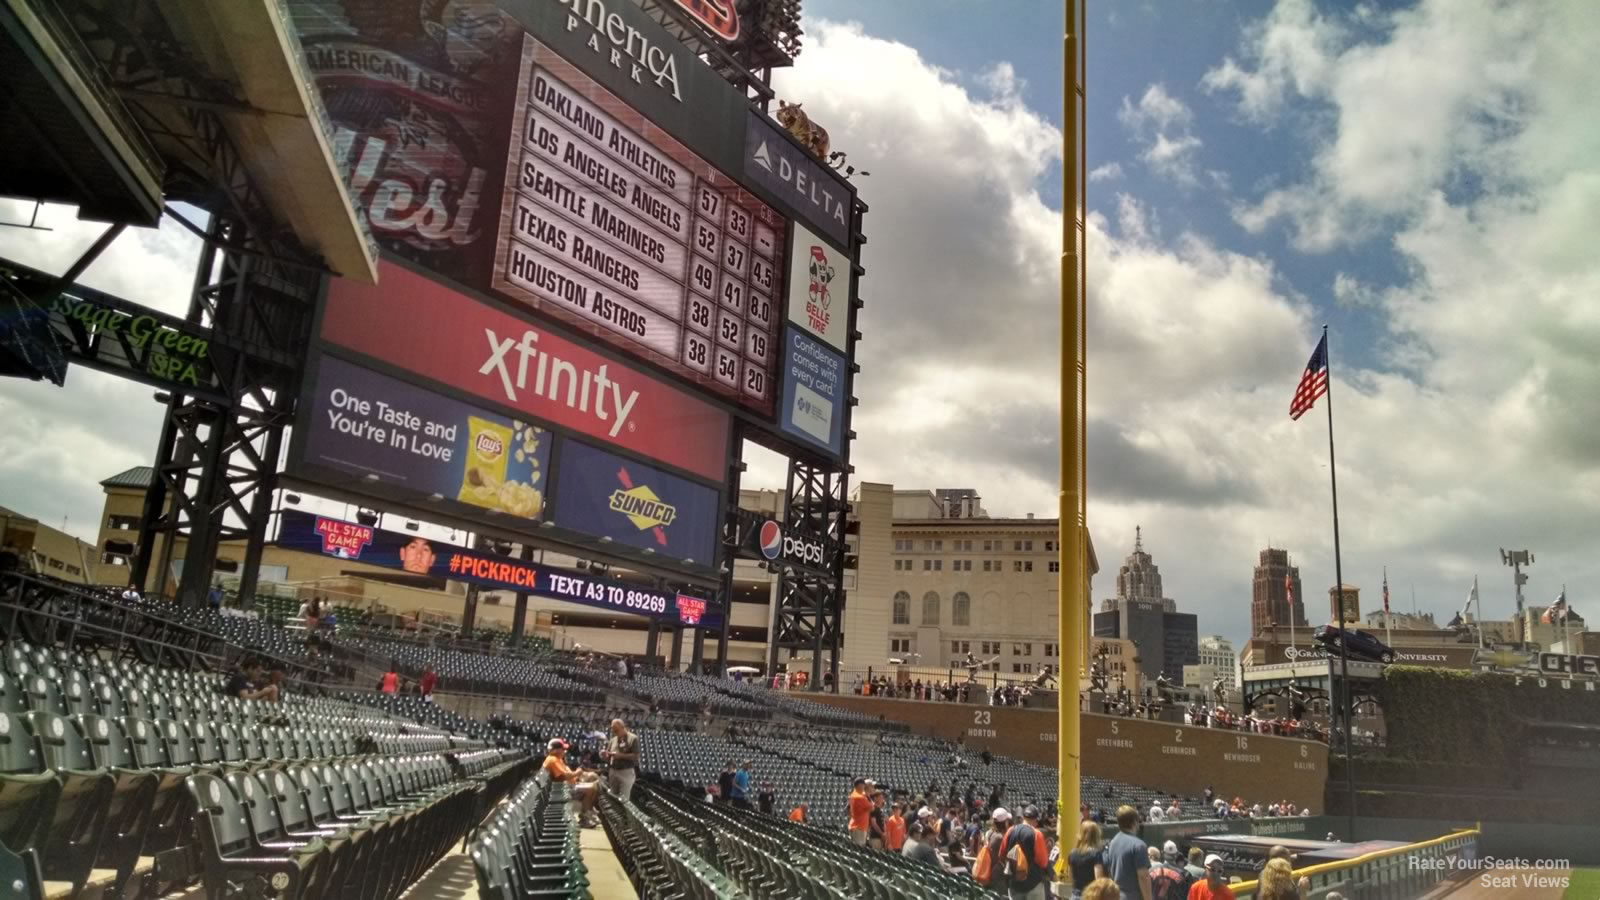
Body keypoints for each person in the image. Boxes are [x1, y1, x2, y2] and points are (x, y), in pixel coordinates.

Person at [541, 738, 599, 827]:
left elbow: (566, 774)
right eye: (563, 749)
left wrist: (577, 775)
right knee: (591, 789)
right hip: (561, 790)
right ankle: (585, 817)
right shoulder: (553, 760)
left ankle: (589, 811)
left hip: (564, 786)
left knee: (593, 780)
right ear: (555, 750)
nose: (565, 751)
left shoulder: (557, 759)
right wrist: (577, 773)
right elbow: (565, 776)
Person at [999, 805, 1052, 900]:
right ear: (1035, 820)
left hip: (1014, 883)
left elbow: (1001, 855)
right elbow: (1043, 862)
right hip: (1033, 884)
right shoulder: (1036, 834)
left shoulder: (1010, 831)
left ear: (1023, 817)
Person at [1105, 805, 1153, 900]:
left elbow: (1109, 873)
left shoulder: (1113, 842)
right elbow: (1143, 876)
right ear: (1135, 822)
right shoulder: (1138, 845)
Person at [1067, 819, 1108, 898]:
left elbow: (1070, 878)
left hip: (1075, 895)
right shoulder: (1096, 854)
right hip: (1090, 895)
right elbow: (1098, 880)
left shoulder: (1072, 853)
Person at [604, 718, 640, 801]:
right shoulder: (613, 740)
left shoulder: (633, 738)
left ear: (623, 727)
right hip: (613, 770)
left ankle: (625, 814)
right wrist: (604, 755)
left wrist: (621, 756)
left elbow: (636, 756)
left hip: (626, 772)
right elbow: (608, 754)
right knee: (613, 798)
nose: (615, 733)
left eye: (616, 730)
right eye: (613, 730)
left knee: (623, 800)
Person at [847, 778, 872, 845]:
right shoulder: (859, 797)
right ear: (859, 785)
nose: (864, 787)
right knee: (858, 849)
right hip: (859, 827)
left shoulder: (854, 794)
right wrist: (869, 797)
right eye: (863, 785)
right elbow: (872, 807)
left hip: (856, 825)